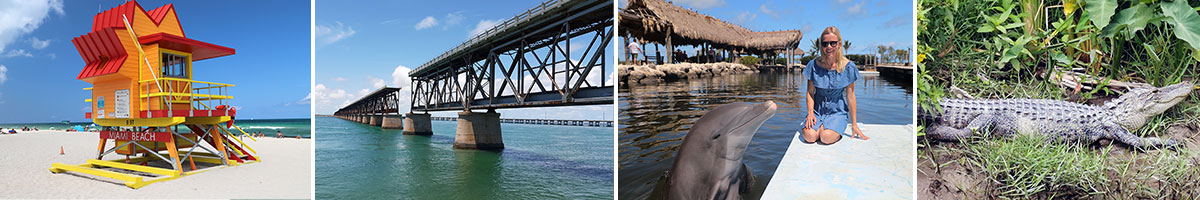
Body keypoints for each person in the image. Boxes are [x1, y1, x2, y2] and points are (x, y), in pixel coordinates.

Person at [798, 26, 867, 145]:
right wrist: (810, 113)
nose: (828, 47)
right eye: (825, 44)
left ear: (839, 44)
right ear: (821, 46)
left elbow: (851, 96)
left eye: (833, 43)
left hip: (837, 111)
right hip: (817, 110)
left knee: (826, 138)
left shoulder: (848, 67)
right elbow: (810, 93)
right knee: (809, 136)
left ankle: (831, 126)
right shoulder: (813, 65)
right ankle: (819, 127)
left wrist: (854, 124)